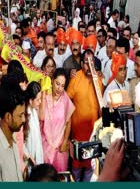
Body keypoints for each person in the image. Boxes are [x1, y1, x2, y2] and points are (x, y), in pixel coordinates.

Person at [67, 49, 103, 181]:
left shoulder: (98, 79)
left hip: (93, 135)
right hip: (78, 135)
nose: (89, 65)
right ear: (82, 64)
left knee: (91, 170)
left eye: (92, 62)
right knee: (76, 170)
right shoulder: (75, 78)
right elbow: (66, 102)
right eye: (87, 63)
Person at [40, 68, 75, 172]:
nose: (59, 89)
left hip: (60, 148)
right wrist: (42, 94)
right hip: (45, 146)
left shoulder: (65, 99)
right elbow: (41, 118)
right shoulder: (44, 96)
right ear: (52, 80)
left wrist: (65, 142)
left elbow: (69, 122)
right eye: (57, 84)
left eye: (62, 86)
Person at [25, 82, 44, 165]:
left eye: (40, 99)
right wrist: (28, 156)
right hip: (28, 159)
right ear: (30, 100)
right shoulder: (24, 117)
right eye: (37, 100)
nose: (40, 102)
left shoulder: (34, 112)